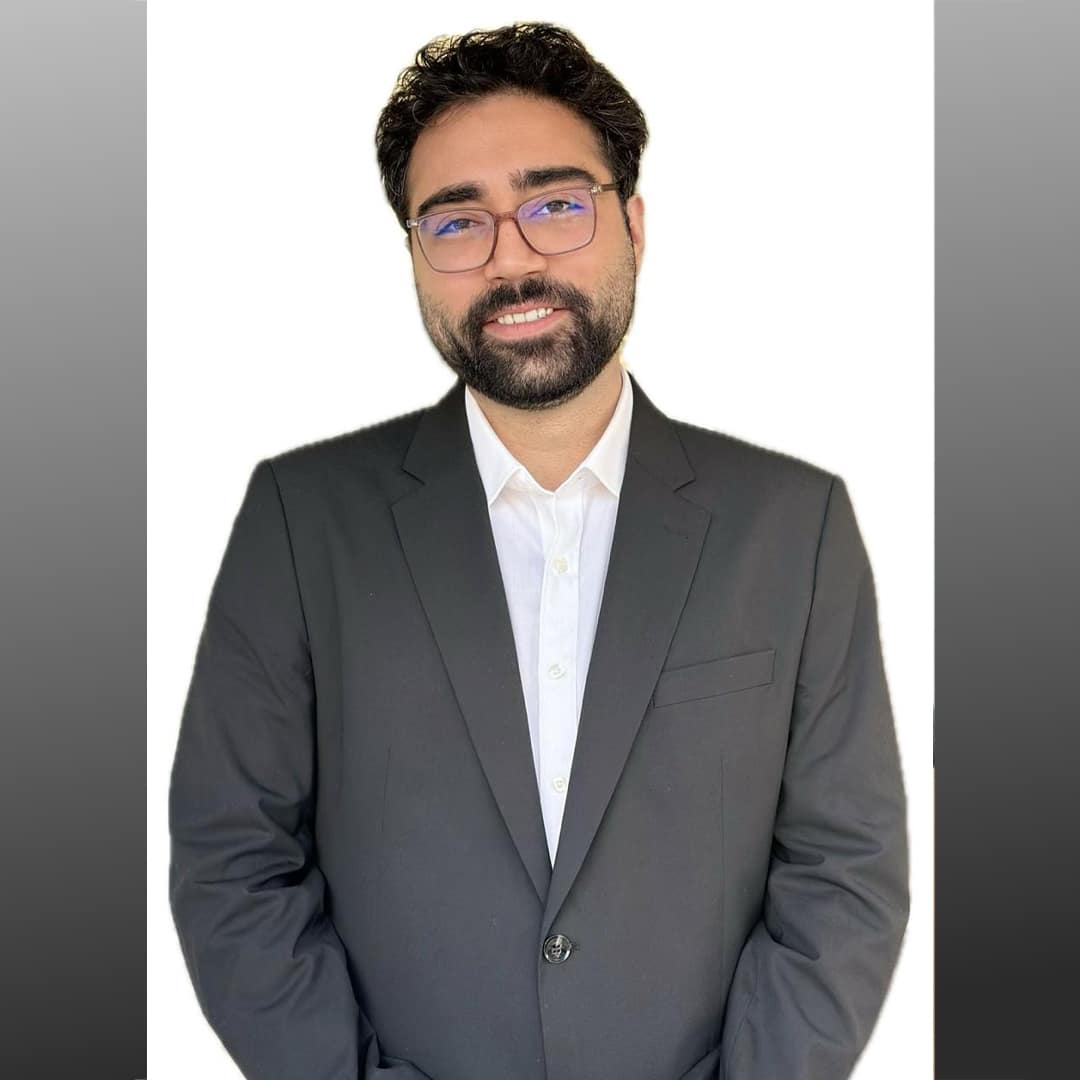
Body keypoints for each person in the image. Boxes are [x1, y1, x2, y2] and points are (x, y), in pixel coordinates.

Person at [168, 22, 909, 1080]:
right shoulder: (300, 521)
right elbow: (233, 862)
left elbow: (845, 874)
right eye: (456, 221)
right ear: (416, 257)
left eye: (556, 206)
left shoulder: (795, 527)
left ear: (633, 225)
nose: (511, 259)